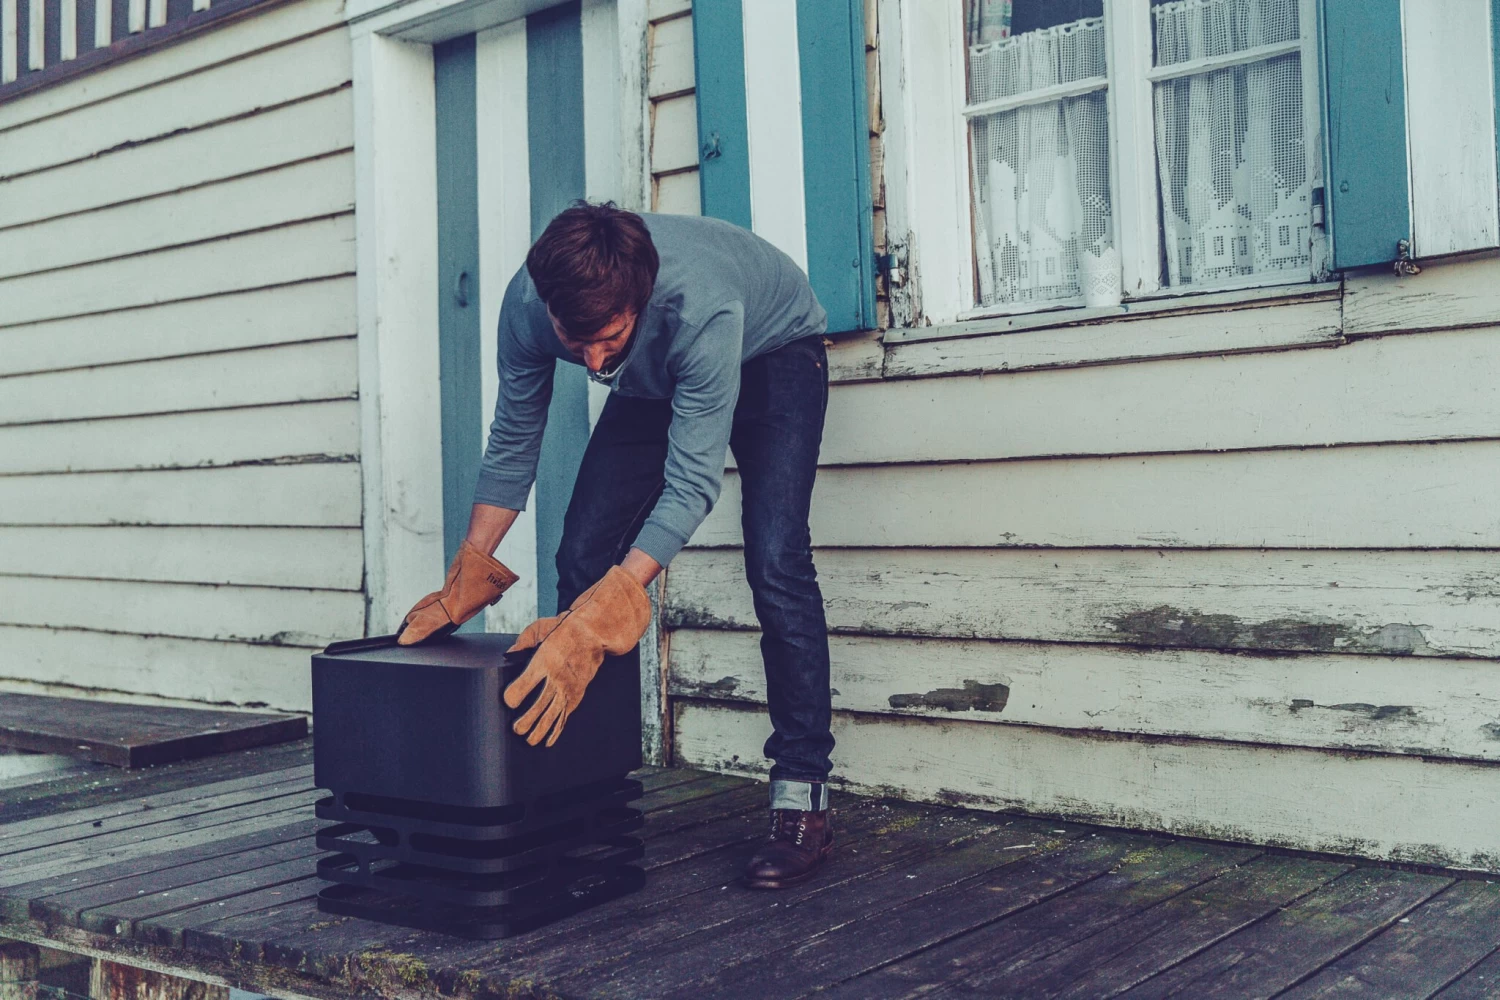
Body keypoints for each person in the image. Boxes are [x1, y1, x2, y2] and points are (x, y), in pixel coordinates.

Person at [397, 202, 836, 888]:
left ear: (639, 301)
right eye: (576, 342)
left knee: (776, 561)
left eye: (607, 338)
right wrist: (468, 574)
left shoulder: (700, 307)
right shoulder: (529, 305)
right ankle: (582, 793)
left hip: (775, 351)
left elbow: (690, 487)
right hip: (658, 368)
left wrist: (609, 610)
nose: (596, 364)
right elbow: (514, 440)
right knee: (583, 554)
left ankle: (801, 798)